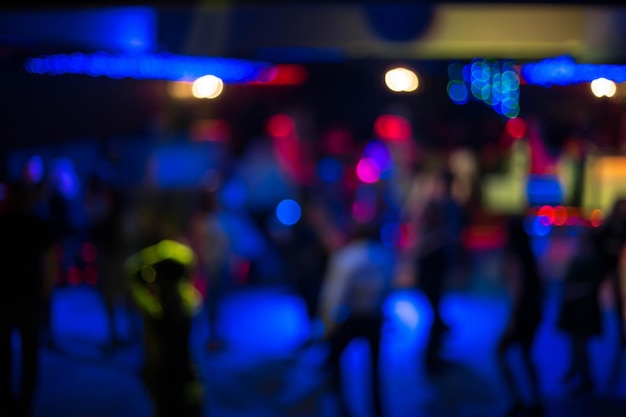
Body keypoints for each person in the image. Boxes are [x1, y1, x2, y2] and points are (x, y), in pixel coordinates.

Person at [317, 221, 396, 417]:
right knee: (375, 369)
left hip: (351, 318)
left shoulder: (346, 257)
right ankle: (377, 410)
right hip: (374, 317)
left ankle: (342, 407)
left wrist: (327, 326)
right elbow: (389, 287)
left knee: (334, 360)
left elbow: (334, 295)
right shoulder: (385, 256)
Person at [124, 231, 204, 417]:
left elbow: (132, 269)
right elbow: (189, 259)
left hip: (163, 375)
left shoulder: (155, 311)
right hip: (186, 374)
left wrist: (161, 249)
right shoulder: (191, 305)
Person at [0, 181, 57, 417]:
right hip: (30, 297)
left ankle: (8, 403)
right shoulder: (38, 223)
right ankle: (24, 407)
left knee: (4, 355)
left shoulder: (2, 223)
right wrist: (45, 291)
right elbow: (50, 261)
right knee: (29, 354)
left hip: (4, 297)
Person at [413, 170, 467, 374]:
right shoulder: (431, 208)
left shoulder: (447, 208)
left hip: (436, 267)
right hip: (430, 269)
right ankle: (430, 359)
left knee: (436, 314)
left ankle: (432, 356)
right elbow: (421, 244)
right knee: (435, 315)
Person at [497, 214, 544, 417]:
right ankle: (534, 399)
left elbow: (517, 289)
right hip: (534, 310)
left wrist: (513, 319)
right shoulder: (529, 252)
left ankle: (518, 399)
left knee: (501, 352)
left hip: (523, 312)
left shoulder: (514, 255)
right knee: (526, 355)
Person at [556, 228, 604, 396]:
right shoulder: (578, 257)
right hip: (574, 308)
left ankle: (586, 378)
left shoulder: (592, 260)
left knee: (581, 344)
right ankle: (575, 371)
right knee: (574, 342)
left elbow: (593, 284)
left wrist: (574, 292)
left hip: (584, 309)